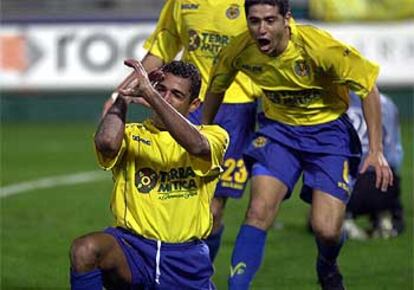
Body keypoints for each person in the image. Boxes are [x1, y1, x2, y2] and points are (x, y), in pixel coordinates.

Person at [201, 0, 393, 289]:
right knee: (258, 211)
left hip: (329, 136)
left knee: (326, 230)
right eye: (254, 21)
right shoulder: (239, 49)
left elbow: (368, 87)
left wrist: (376, 151)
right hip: (279, 133)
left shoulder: (318, 47)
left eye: (269, 20)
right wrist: (204, 131)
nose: (261, 29)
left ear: (286, 19)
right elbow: (216, 87)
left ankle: (327, 264)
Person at [102, 0, 262, 262]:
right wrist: (118, 94)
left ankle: (197, 272)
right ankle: (161, 265)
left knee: (214, 209)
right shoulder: (180, 3)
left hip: (235, 107)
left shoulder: (251, 5)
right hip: (188, 103)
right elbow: (160, 52)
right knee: (174, 191)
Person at [69, 59, 229, 290]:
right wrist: (123, 97)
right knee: (85, 249)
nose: (165, 98)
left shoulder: (214, 136)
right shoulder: (132, 135)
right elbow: (106, 143)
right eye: (160, 90)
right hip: (133, 250)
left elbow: (198, 148)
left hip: (185, 260)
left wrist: (151, 95)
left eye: (176, 94)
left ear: (194, 104)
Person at [344, 92, 404, 240]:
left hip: (345, 185)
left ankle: (343, 219)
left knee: (318, 219)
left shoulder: (337, 101)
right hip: (381, 182)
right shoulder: (387, 103)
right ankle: (384, 217)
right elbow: (395, 156)